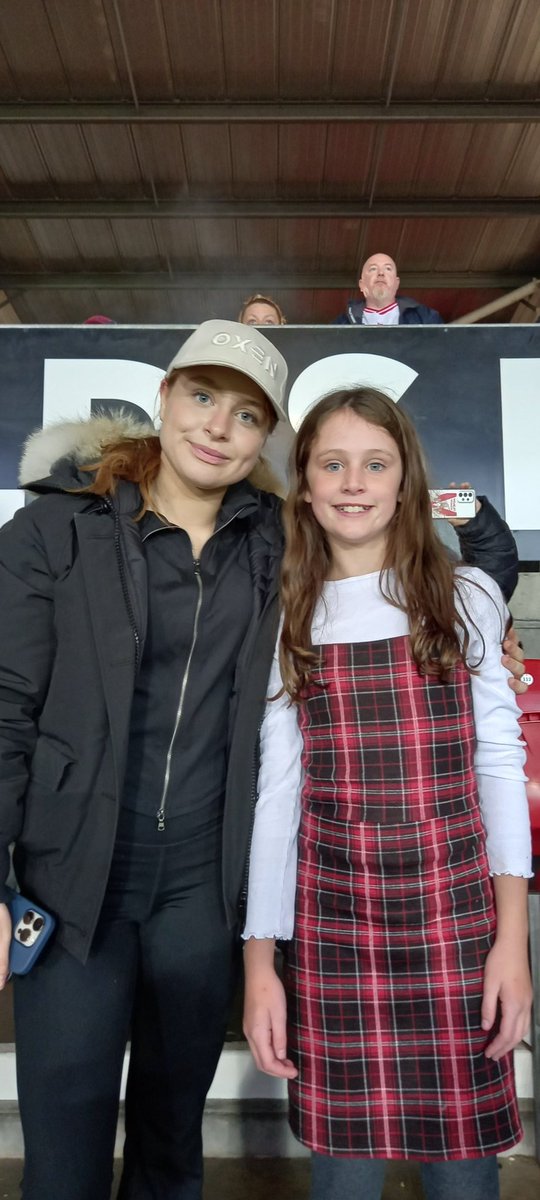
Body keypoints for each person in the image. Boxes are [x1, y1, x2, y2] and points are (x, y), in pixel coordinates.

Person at [0, 322, 526, 1199]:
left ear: (266, 439)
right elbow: (6, 703)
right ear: (164, 398)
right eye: (202, 397)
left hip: (203, 885)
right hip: (72, 877)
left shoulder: (274, 549)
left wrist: (489, 625)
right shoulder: (54, 529)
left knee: (173, 1138)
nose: (217, 425)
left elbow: (409, 588)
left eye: (246, 414)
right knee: (64, 1145)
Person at [243, 387, 533, 1200]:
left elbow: (499, 766)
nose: (353, 482)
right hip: (333, 927)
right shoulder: (287, 615)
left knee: (464, 1171)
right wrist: (261, 961)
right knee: (343, 1172)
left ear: (406, 483)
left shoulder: (467, 596)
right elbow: (277, 796)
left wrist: (513, 942)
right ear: (304, 485)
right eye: (332, 464)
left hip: (457, 922)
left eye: (376, 464)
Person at [334, 252, 443, 325]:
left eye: (388, 269)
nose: (381, 273)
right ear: (362, 285)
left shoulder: (424, 318)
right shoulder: (342, 324)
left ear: (396, 283)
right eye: (373, 269)